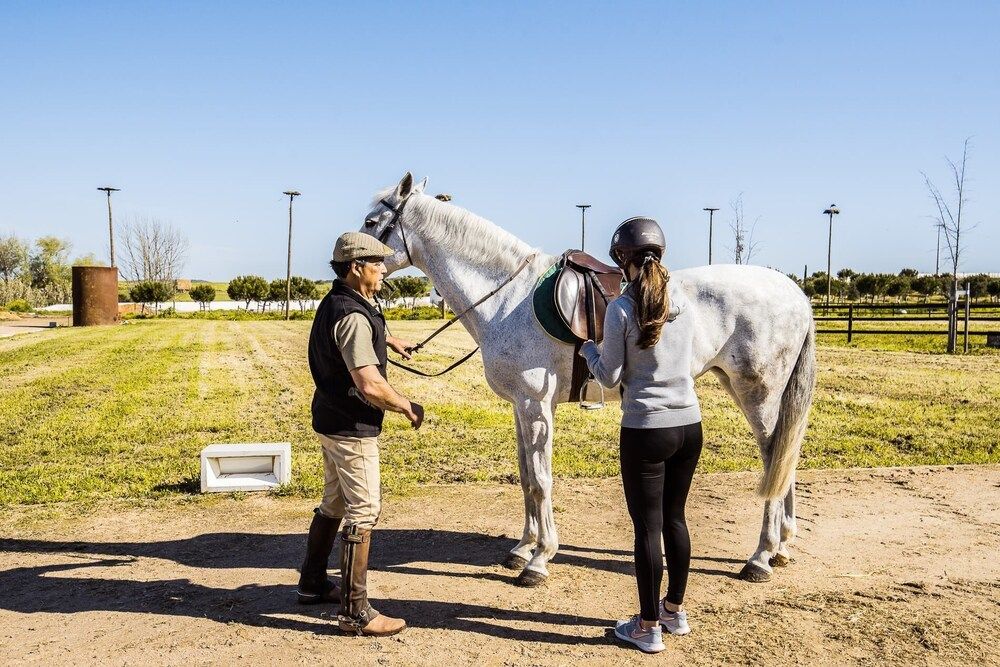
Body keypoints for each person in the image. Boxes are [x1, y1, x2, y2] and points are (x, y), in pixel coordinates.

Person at [580, 217, 702, 654]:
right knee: (675, 519)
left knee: (646, 529)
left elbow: (611, 376)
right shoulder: (683, 298)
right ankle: (674, 611)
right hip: (689, 424)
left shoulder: (622, 308)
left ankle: (647, 628)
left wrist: (588, 349)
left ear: (621, 260)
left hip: (646, 429)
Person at [297, 231, 425, 637]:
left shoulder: (341, 302)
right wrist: (405, 404)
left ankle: (312, 583)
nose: (385, 269)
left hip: (330, 421)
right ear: (356, 268)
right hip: (351, 428)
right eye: (378, 264)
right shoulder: (352, 316)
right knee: (363, 510)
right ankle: (355, 611)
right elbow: (369, 384)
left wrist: (388, 340)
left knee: (333, 502)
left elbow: (356, 334)